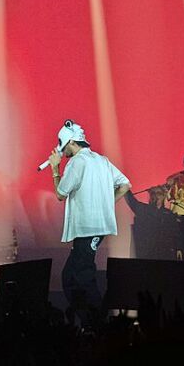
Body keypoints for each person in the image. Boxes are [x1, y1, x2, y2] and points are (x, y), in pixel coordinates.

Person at [47, 120, 131, 319]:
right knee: (71, 275)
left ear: (70, 143)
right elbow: (125, 185)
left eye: (63, 146)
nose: (63, 150)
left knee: (82, 274)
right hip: (93, 228)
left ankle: (97, 321)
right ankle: (84, 316)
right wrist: (106, 205)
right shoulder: (102, 160)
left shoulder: (77, 162)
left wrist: (55, 169)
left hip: (88, 227)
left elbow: (60, 194)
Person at [124, 186, 184, 260]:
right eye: (153, 193)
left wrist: (178, 248)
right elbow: (131, 201)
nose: (156, 195)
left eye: (159, 193)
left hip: (165, 252)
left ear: (164, 196)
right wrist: (125, 188)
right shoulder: (143, 209)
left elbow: (175, 232)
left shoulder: (169, 214)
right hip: (147, 252)